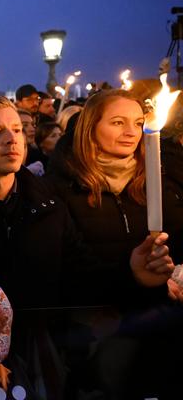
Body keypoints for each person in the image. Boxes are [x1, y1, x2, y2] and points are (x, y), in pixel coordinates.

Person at [0, 93, 174, 323]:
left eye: (17, 130)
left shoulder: (48, 206)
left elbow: (81, 279)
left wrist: (132, 274)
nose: (12, 139)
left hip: (42, 357)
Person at [45, 89, 183, 307]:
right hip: (96, 321)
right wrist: (133, 275)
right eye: (118, 122)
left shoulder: (160, 179)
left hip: (163, 313)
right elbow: (63, 269)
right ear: (91, 127)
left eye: (138, 123)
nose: (131, 132)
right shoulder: (59, 188)